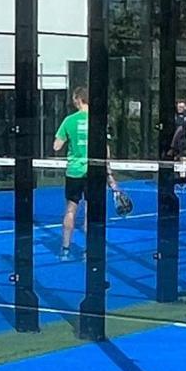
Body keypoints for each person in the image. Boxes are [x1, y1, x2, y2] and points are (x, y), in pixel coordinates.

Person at [52, 87, 126, 262]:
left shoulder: (69, 121)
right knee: (89, 212)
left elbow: (56, 146)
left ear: (78, 99)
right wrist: (110, 176)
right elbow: (105, 150)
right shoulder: (98, 121)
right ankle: (88, 251)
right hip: (94, 172)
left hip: (74, 172)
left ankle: (65, 249)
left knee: (70, 210)